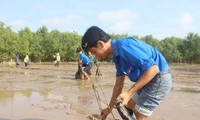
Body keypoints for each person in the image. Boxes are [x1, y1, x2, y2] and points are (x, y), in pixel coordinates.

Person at [81, 26, 172, 120]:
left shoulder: (125, 46)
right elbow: (118, 86)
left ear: (100, 44)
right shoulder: (117, 57)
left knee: (139, 113)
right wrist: (109, 108)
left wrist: (129, 93)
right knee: (128, 107)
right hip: (147, 80)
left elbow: (153, 69)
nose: (96, 56)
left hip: (159, 77)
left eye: (94, 52)